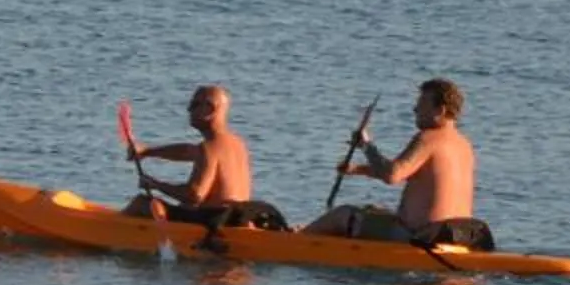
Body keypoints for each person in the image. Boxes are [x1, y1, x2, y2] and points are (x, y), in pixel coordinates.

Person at [302, 77, 491, 248]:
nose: (415, 110)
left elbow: (393, 175)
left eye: (421, 104)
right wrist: (358, 169)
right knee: (375, 211)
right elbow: (416, 175)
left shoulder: (428, 138)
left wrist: (366, 146)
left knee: (343, 214)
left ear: (440, 110)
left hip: (420, 237)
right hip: (455, 237)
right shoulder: (464, 145)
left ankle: (297, 239)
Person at [123, 85, 257, 223]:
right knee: (183, 206)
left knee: (141, 203)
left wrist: (156, 184)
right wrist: (147, 151)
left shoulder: (209, 148)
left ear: (210, 109)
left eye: (194, 105)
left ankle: (116, 231)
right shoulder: (238, 144)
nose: (188, 110)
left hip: (215, 222)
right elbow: (186, 151)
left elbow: (195, 195)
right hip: (236, 218)